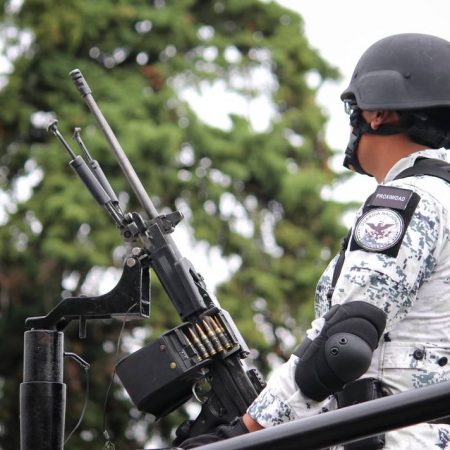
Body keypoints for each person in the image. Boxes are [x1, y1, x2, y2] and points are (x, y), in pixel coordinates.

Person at [179, 33, 450, 449]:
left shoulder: (407, 202)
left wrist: (243, 434)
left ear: (378, 113)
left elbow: (343, 347)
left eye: (355, 107)